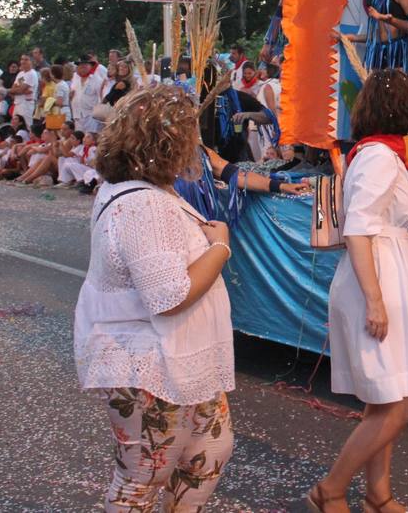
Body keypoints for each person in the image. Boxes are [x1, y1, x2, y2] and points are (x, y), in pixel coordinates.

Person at [74, 85, 234, 511]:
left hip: (177, 357)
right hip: (148, 361)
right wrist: (220, 247)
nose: (196, 146)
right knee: (144, 476)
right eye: (190, 135)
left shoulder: (143, 190)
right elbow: (168, 295)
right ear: (168, 143)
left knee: (210, 448)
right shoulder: (145, 203)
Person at [307, 70, 408, 513]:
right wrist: (376, 300)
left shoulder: (379, 153)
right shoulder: (380, 156)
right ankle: (330, 489)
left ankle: (377, 495)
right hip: (378, 277)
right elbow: (359, 229)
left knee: (386, 400)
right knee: (400, 407)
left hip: (387, 273)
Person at [70, 57, 107, 135]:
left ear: (90, 66)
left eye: (85, 66)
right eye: (80, 66)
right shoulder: (75, 77)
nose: (82, 69)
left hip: (91, 115)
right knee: (79, 138)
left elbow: (101, 97)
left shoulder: (96, 80)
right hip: (77, 114)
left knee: (90, 137)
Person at [10, 54, 39, 130]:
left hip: (26, 104)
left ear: (31, 62)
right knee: (14, 125)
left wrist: (19, 90)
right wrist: (18, 90)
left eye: (26, 60)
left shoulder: (32, 74)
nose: (23, 61)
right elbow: (14, 89)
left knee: (27, 125)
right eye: (22, 59)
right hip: (18, 103)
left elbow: (20, 90)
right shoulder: (21, 74)